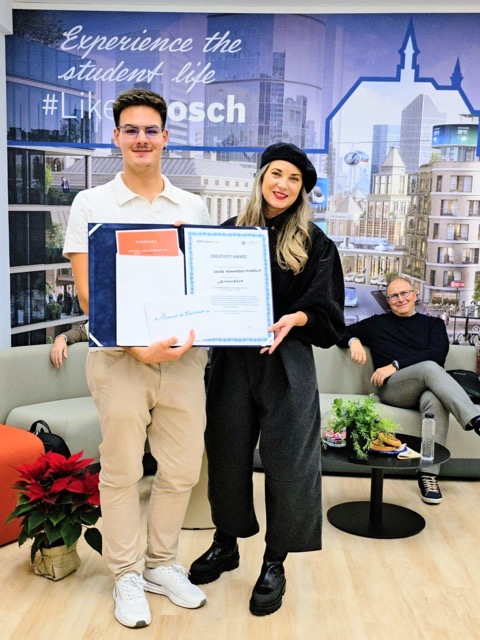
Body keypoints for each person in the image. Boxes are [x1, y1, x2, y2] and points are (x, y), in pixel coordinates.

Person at [63, 88, 211, 629]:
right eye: (131, 130)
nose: (141, 139)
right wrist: (136, 346)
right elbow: (89, 296)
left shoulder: (192, 207)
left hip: (183, 360)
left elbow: (201, 285)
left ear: (165, 137)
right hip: (119, 359)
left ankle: (161, 563)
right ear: (117, 137)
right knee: (123, 470)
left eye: (151, 130)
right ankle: (126, 573)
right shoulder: (91, 204)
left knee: (182, 469)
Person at [189, 142, 345, 616]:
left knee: (290, 464)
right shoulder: (227, 235)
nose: (283, 184)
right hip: (232, 360)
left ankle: (275, 562)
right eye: (276, 173)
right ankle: (226, 543)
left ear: (302, 190)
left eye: (294, 179)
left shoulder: (316, 244)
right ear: (261, 178)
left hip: (287, 361)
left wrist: (295, 318)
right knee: (227, 453)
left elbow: (328, 315)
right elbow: (199, 290)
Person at [336, 277, 480, 505]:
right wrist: (353, 340)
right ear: (387, 301)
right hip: (394, 390)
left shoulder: (433, 325)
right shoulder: (377, 324)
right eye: (393, 296)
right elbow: (339, 332)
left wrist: (394, 365)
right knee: (429, 368)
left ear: (415, 294)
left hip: (426, 388)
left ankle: (428, 475)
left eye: (404, 293)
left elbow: (437, 355)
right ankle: (475, 419)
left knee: (435, 400)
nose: (400, 299)